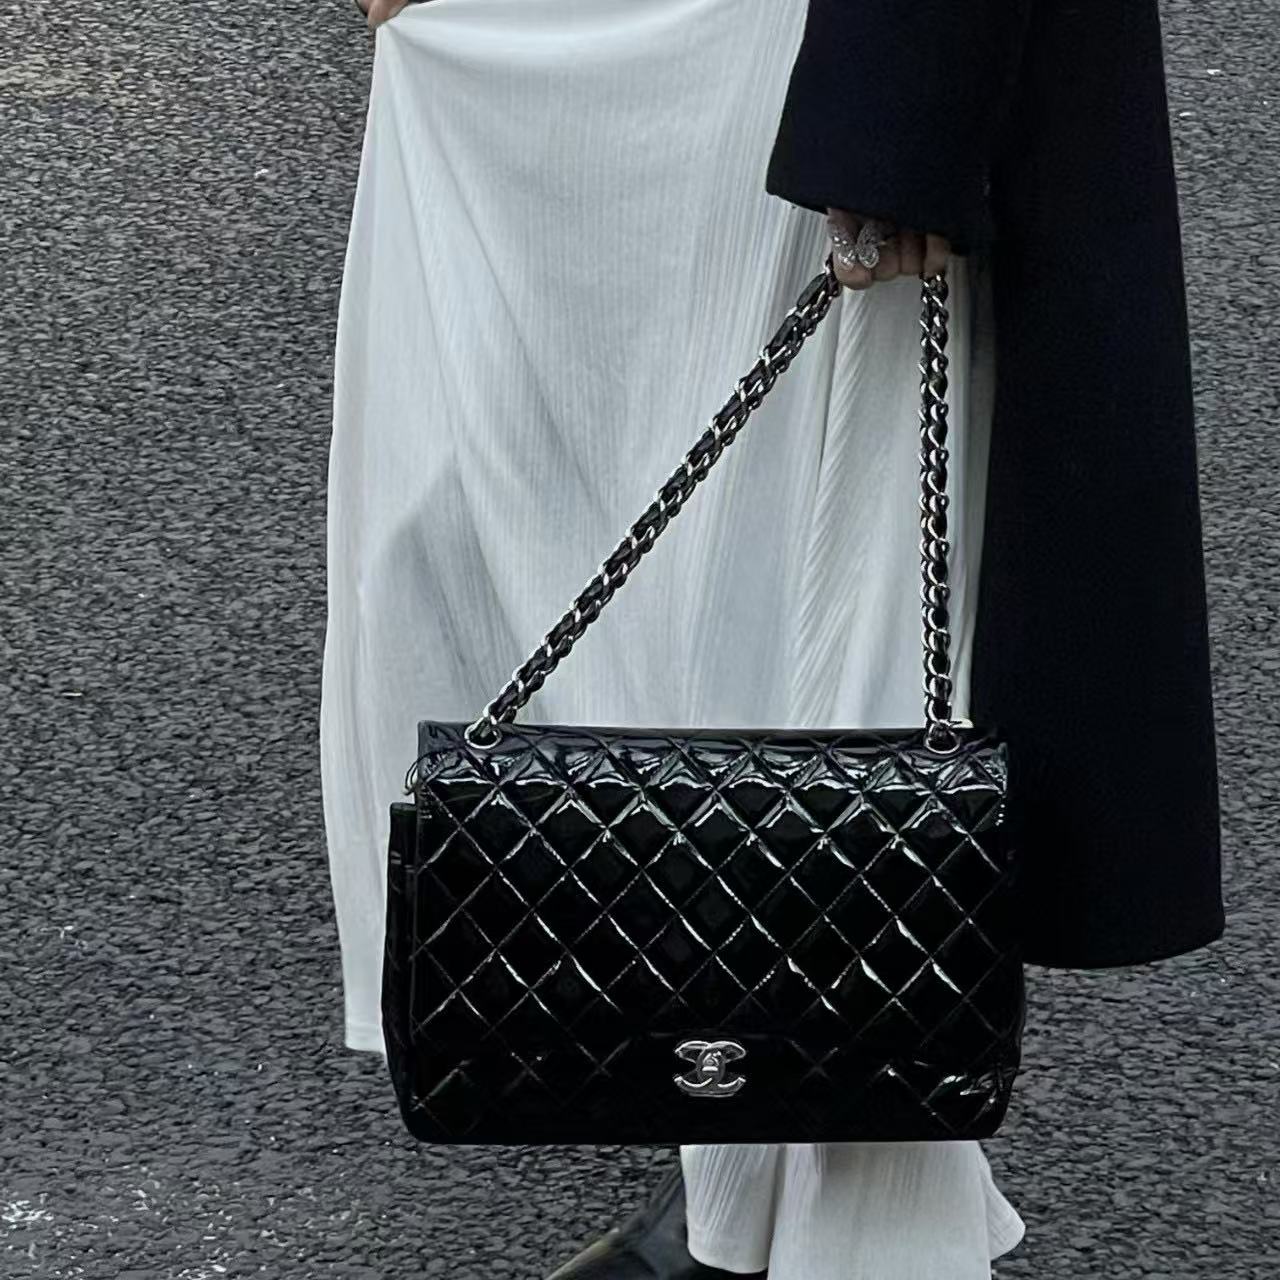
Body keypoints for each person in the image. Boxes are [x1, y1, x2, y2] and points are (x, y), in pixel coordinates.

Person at [326, 1, 1224, 1276]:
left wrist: (900, 109)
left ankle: (850, 1220)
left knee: (824, 631)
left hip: (812, 40)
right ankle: (751, 1178)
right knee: (643, 575)